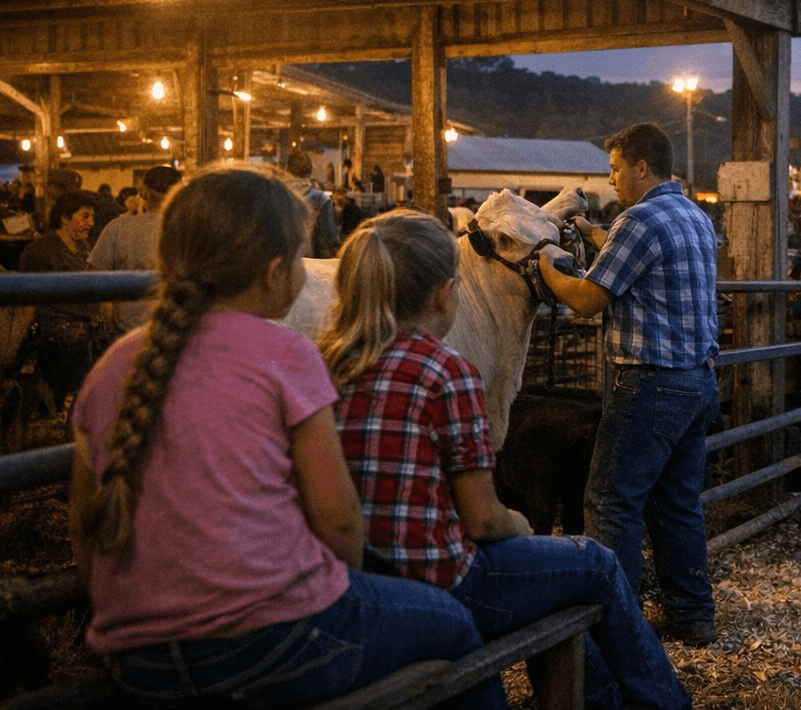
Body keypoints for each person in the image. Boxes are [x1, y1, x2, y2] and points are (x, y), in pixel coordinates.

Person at [67, 165, 500, 709]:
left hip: (139, 662)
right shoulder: (285, 353)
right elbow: (339, 521)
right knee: (456, 624)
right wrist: (339, 596)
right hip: (274, 640)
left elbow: (84, 532)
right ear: (276, 272)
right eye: (299, 256)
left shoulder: (113, 364)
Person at [327, 210, 692, 710]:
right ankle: (663, 703)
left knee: (553, 581)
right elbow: (482, 518)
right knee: (593, 562)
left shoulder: (326, 364)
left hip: (368, 579)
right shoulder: (445, 370)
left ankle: (601, 696)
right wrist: (523, 528)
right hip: (443, 576)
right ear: (443, 294)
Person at [537, 123, 720, 646]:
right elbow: (636, 260)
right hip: (697, 382)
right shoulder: (693, 215)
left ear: (641, 167)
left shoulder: (637, 221)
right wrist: (596, 233)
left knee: (611, 500)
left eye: (616, 168)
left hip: (650, 383)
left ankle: (617, 627)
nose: (611, 178)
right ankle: (693, 616)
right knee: (678, 503)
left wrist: (546, 266)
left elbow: (588, 300)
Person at [20, 188, 107, 415]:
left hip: (88, 334)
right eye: (85, 216)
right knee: (70, 397)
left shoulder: (86, 248)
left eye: (93, 218)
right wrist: (21, 336)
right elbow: (28, 299)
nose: (90, 223)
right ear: (65, 217)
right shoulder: (40, 251)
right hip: (59, 337)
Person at [89, 166, 182, 335]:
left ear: (144, 193)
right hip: (175, 329)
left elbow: (95, 277)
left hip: (126, 330)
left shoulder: (117, 228)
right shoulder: (192, 231)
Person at [287, 150, 340, 258]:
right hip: (311, 263)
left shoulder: (275, 194)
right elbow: (330, 239)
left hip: (280, 264)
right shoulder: (321, 199)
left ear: (287, 170)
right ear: (310, 171)